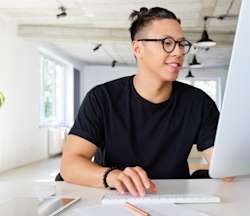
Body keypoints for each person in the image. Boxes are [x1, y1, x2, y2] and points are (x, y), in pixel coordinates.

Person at [60, 7, 233, 197]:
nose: (178, 52)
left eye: (181, 44)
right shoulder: (102, 98)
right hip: (117, 198)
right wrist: (112, 176)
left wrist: (229, 166)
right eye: (167, 43)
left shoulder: (198, 102)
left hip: (175, 200)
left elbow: (222, 168)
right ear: (138, 48)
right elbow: (70, 165)